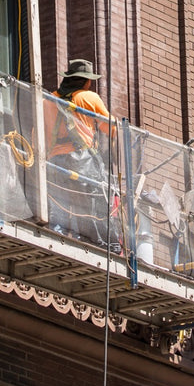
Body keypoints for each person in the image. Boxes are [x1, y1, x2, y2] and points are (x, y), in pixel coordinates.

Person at [45, 59, 119, 252]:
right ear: (86, 81)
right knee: (88, 206)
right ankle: (91, 242)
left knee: (60, 206)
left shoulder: (49, 100)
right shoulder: (89, 97)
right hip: (82, 162)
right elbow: (111, 129)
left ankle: (57, 239)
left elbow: (40, 134)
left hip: (54, 161)